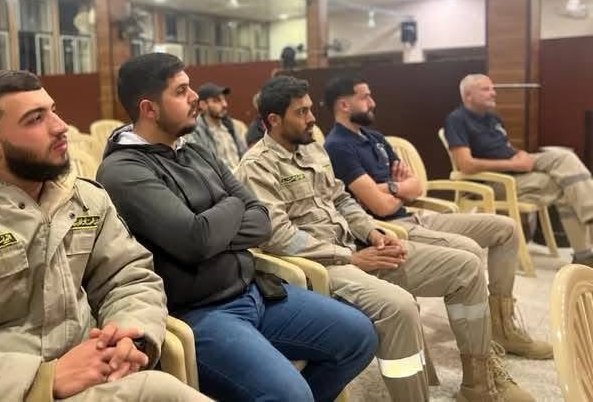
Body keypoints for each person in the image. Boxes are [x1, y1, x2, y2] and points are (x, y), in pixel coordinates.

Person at [0, 70, 206, 402]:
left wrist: (128, 334)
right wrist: (44, 378)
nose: (60, 126)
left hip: (97, 379)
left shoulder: (85, 199)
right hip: (5, 394)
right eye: (35, 119)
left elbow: (129, 276)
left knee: (165, 393)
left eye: (53, 110)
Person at [97, 53, 378, 402]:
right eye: (181, 91)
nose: (194, 97)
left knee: (359, 336)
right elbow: (195, 241)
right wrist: (231, 204)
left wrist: (212, 222)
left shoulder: (196, 152)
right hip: (200, 313)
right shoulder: (123, 171)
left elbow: (260, 220)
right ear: (149, 109)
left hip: (254, 291)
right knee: (290, 394)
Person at [235, 75, 533, 402]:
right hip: (321, 267)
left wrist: (373, 232)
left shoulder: (312, 150)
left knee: (466, 267)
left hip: (357, 246)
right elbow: (280, 237)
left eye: (310, 109)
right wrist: (348, 257)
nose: (311, 118)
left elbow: (342, 200)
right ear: (274, 120)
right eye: (301, 112)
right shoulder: (257, 166)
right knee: (400, 308)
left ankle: (479, 384)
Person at [322, 76, 551, 360]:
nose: (373, 102)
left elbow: (417, 187)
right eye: (364, 97)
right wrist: (398, 188)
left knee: (505, 228)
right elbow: (380, 208)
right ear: (344, 105)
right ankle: (477, 348)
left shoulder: (376, 138)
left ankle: (502, 323)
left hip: (415, 215)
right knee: (468, 252)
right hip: (389, 228)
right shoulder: (337, 146)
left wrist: (391, 188)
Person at [444, 74, 593, 266]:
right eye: (486, 89)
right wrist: (513, 165)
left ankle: (590, 214)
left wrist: (520, 154)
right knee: (562, 185)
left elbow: (503, 148)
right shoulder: (456, 120)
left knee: (563, 157)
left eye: (492, 88)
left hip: (513, 168)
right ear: (468, 95)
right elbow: (466, 165)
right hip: (492, 181)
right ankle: (584, 255)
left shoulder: (492, 117)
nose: (493, 93)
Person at [186, 82, 246, 170]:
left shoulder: (230, 126)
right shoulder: (195, 131)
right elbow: (203, 165)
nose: (224, 104)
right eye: (217, 100)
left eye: (224, 99)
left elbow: (244, 154)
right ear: (203, 105)